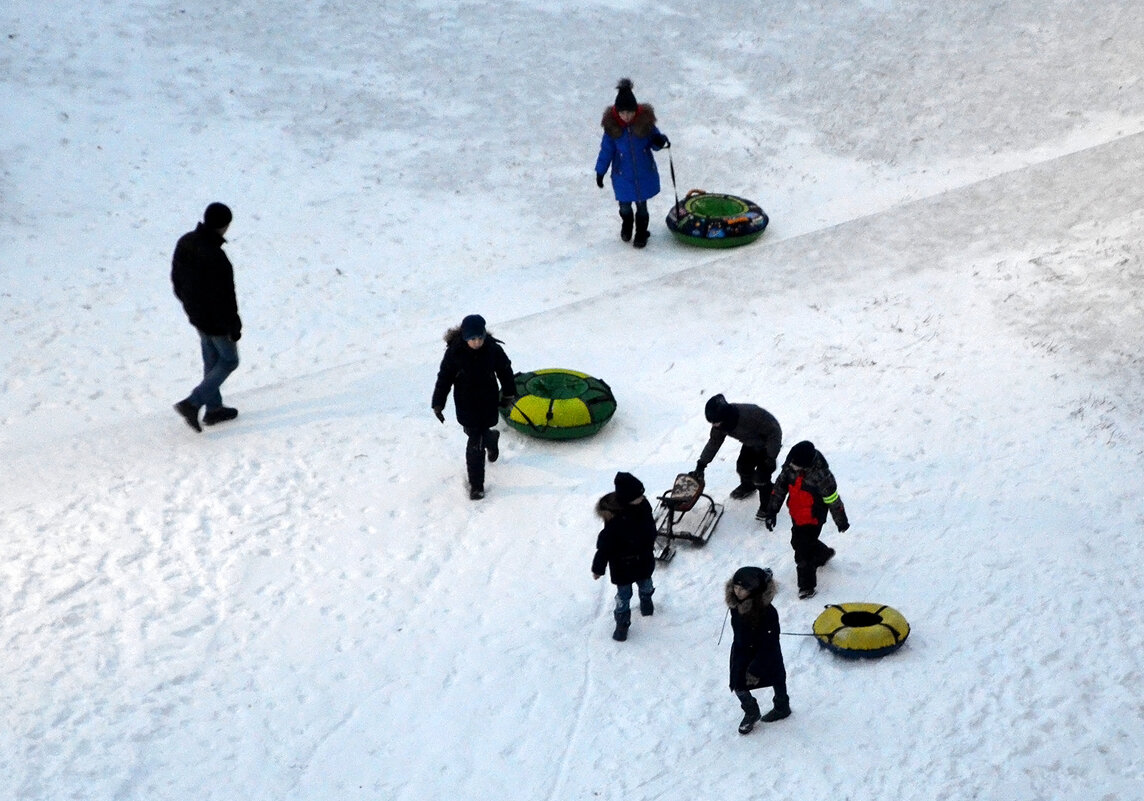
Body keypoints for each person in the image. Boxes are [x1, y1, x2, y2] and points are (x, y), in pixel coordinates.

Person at [171, 202, 242, 433]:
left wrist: (189, 306)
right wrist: (234, 325)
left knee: (212, 361)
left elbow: (177, 280)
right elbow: (226, 298)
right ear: (224, 226)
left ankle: (214, 409)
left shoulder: (185, 242)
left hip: (197, 316)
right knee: (230, 361)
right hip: (216, 322)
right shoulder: (217, 258)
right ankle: (193, 402)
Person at [431, 314, 516, 500]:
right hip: (466, 402)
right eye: (472, 339)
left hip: (488, 400)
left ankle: (477, 485)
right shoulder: (455, 353)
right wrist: (438, 403)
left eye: (480, 338)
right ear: (464, 337)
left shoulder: (492, 349)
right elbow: (444, 378)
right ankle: (490, 440)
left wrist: (509, 393)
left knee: (475, 442)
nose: (477, 342)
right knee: (474, 434)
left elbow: (505, 370)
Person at [762, 440, 850, 599]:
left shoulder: (822, 476)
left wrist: (841, 520)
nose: (791, 466)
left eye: (795, 465)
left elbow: (833, 500)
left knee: (803, 553)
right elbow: (779, 489)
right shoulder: (790, 468)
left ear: (805, 465)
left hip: (813, 518)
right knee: (797, 542)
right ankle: (823, 554)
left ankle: (806, 587)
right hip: (796, 514)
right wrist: (771, 511)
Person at [594, 78, 670, 249]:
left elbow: (656, 143)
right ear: (616, 112)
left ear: (636, 111)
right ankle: (627, 224)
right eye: (623, 113)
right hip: (623, 176)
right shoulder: (612, 130)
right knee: (625, 207)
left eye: (630, 112)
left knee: (642, 207)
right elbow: (606, 152)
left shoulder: (645, 125)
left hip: (644, 174)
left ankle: (641, 233)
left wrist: (659, 141)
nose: (626, 116)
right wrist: (600, 171)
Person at [592, 472, 658, 641]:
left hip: (643, 559)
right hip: (622, 566)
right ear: (627, 498)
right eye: (638, 496)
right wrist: (598, 567)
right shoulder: (614, 519)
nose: (642, 497)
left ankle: (646, 600)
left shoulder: (643, 505)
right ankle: (622, 623)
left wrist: (651, 538)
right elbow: (604, 546)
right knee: (624, 595)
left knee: (646, 585)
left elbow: (650, 525)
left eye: (642, 494)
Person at [725, 566, 790, 734]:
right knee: (738, 684)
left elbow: (770, 642)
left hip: (765, 652)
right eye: (736, 587)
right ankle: (751, 711)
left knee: (777, 678)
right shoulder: (736, 605)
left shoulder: (768, 613)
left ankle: (782, 706)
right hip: (742, 650)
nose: (737, 592)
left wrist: (756, 668)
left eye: (742, 589)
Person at [692, 394, 782, 514]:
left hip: (767, 442)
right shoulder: (720, 425)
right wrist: (701, 464)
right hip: (750, 442)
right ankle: (748, 486)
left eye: (715, 422)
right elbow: (714, 442)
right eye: (712, 422)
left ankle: (769, 503)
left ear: (724, 417)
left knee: (762, 477)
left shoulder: (750, 414)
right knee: (743, 467)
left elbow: (774, 431)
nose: (714, 425)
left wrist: (771, 456)